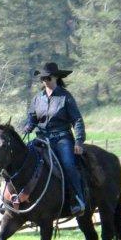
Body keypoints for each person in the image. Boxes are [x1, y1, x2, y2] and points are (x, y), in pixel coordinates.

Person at [22, 62, 88, 217]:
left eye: (48, 78)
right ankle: (16, 200)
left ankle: (78, 199)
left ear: (56, 77)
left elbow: (77, 120)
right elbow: (32, 118)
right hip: (42, 138)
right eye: (43, 78)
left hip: (62, 138)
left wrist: (78, 141)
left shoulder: (66, 97)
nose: (45, 81)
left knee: (68, 164)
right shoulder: (37, 98)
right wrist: (28, 126)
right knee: (23, 160)